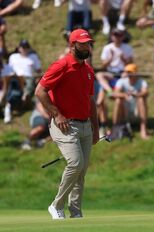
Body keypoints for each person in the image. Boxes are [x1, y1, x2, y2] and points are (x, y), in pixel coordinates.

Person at [35, 29, 99, 219]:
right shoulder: (61, 65)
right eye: (83, 43)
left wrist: (96, 128)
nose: (87, 46)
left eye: (89, 43)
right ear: (73, 45)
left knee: (81, 171)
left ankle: (76, 212)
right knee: (76, 163)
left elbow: (91, 101)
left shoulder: (88, 70)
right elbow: (40, 91)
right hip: (64, 125)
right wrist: (57, 114)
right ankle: (56, 205)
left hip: (85, 125)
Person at [113, 63, 149, 139]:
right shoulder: (121, 81)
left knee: (141, 99)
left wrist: (136, 95)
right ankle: (115, 128)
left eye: (130, 72)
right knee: (118, 100)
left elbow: (145, 92)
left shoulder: (142, 82)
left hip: (137, 111)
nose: (128, 74)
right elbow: (115, 93)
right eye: (127, 72)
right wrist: (124, 95)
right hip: (125, 111)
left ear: (135, 73)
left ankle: (143, 129)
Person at [8, 39, 41, 104]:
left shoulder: (33, 57)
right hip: (15, 76)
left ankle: (25, 96)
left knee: (30, 82)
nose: (25, 49)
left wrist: (37, 77)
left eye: (26, 47)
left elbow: (38, 70)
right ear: (19, 48)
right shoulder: (13, 57)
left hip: (28, 77)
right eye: (23, 47)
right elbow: (9, 69)